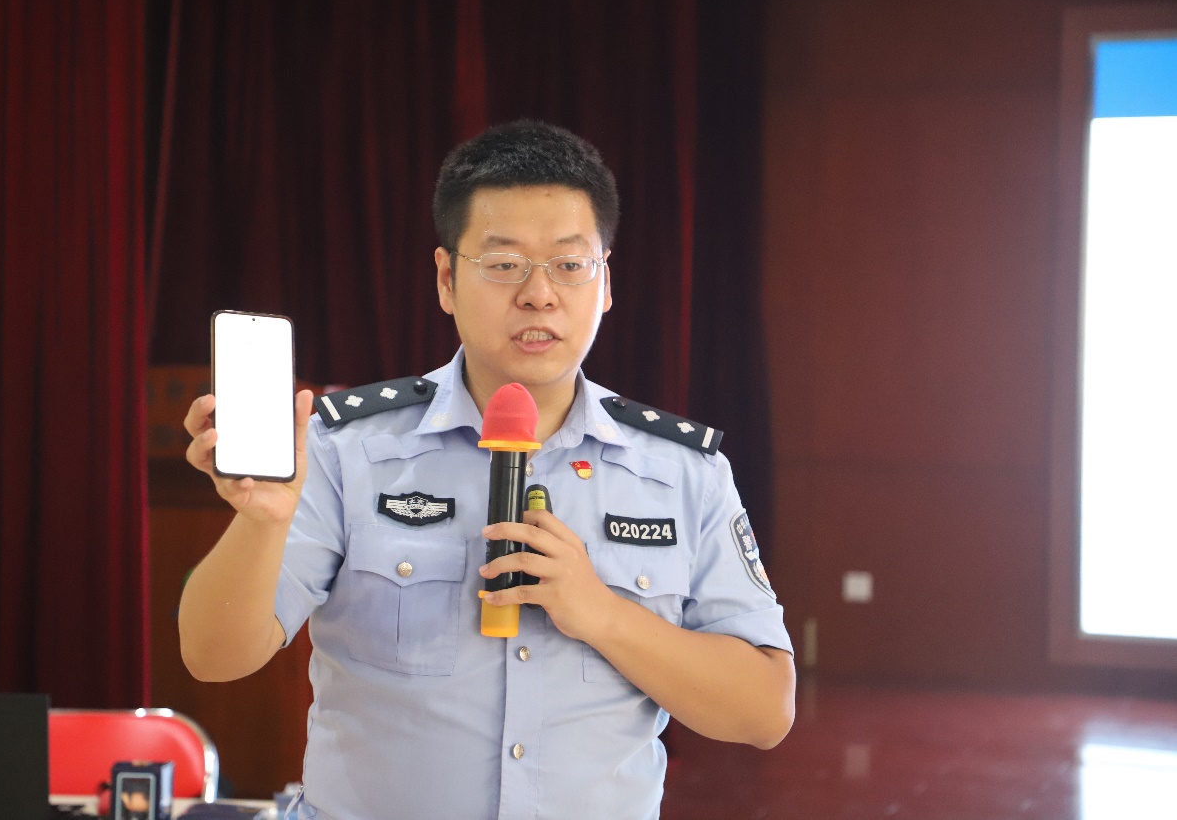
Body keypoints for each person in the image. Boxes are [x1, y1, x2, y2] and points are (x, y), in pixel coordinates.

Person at [179, 120, 795, 820]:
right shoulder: (345, 448)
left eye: (569, 264)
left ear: (605, 281)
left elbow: (764, 712)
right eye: (504, 265)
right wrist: (261, 523)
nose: (539, 294)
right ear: (446, 279)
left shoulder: (683, 472)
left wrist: (601, 613)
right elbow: (213, 657)